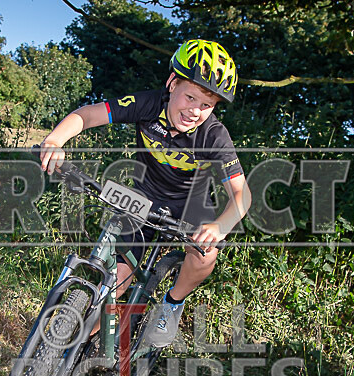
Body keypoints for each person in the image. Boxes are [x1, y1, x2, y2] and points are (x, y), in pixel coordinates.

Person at [39, 39, 251, 348]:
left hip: (190, 202)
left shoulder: (214, 136)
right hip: (145, 194)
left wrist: (220, 226)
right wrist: (55, 140)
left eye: (206, 105)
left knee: (206, 254)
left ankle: (171, 305)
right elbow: (87, 115)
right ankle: (76, 346)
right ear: (171, 82)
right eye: (190, 96)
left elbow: (241, 195)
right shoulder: (148, 104)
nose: (194, 111)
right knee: (118, 279)